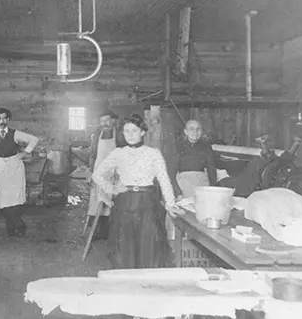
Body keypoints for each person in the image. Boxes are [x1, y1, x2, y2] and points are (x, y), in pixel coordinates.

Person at [93, 113, 183, 269]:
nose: (130, 135)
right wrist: (112, 188)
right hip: (124, 202)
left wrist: (170, 204)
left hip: (148, 203)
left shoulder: (153, 153)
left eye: (134, 130)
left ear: (142, 132)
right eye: (126, 131)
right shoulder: (118, 153)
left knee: (148, 248)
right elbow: (97, 175)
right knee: (124, 248)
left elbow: (164, 180)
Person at [0, 107, 39, 236]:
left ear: (8, 119)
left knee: (14, 198)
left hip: (14, 167)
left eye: (4, 118)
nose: (2, 121)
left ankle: (16, 225)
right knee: (3, 199)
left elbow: (34, 140)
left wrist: (25, 153)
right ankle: (14, 224)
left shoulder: (15, 133)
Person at [86, 110, 124, 240]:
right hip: (99, 172)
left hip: (114, 173)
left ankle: (111, 232)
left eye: (107, 120)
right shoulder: (97, 134)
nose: (104, 124)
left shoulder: (119, 134)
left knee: (113, 201)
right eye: (101, 121)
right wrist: (90, 172)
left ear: (113, 120)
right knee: (98, 199)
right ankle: (97, 230)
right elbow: (92, 154)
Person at [168, 119, 218, 199]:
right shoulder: (177, 147)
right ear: (186, 132)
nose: (195, 132)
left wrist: (212, 191)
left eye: (198, 129)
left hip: (201, 185)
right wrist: (178, 193)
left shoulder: (206, 147)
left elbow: (212, 172)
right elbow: (171, 174)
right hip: (183, 186)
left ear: (201, 131)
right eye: (191, 129)